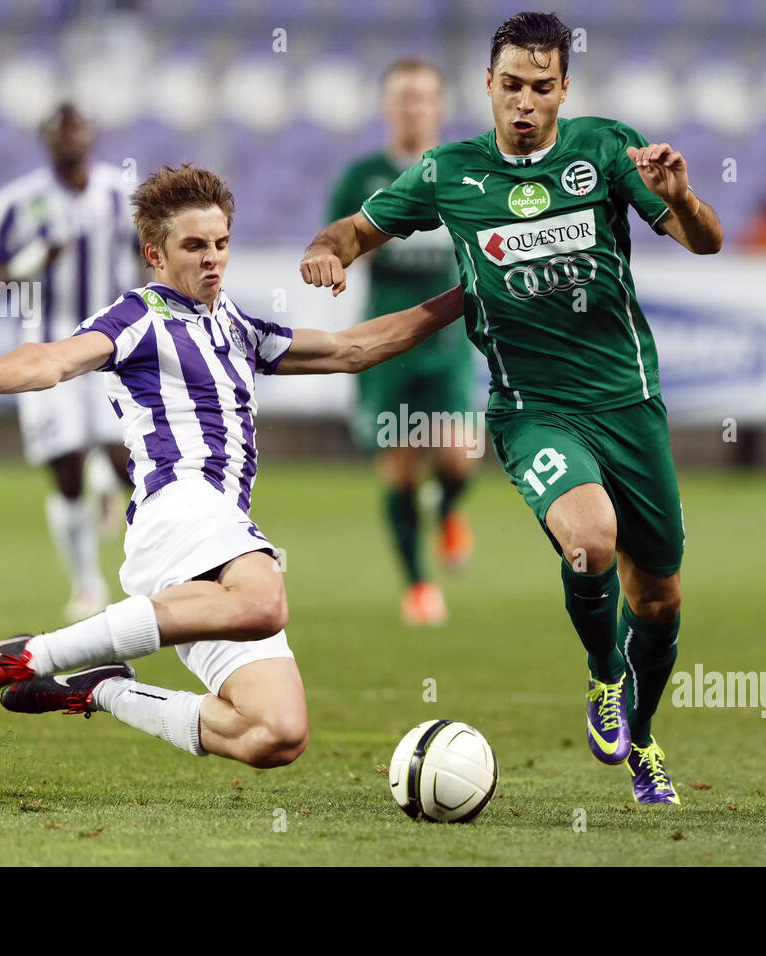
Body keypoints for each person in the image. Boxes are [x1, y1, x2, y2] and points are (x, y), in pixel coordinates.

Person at [0, 164, 463, 769]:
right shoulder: (139, 318)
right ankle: (33, 653)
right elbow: (53, 360)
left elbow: (356, 349)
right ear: (155, 254)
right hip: (180, 507)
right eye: (194, 246)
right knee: (266, 600)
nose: (212, 258)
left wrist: (468, 294)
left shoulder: (239, 327)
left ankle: (102, 689)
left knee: (275, 733)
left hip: (206, 541)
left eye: (221, 243)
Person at [301, 12, 723, 804]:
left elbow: (705, 241)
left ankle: (645, 736)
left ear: (564, 89)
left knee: (659, 597)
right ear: (487, 87)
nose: (524, 104)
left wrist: (684, 197)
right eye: (510, 87)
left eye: (541, 87)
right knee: (591, 540)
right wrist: (328, 251)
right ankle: (604, 679)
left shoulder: (605, 150)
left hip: (629, 404)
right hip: (533, 409)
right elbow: (354, 230)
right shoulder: (448, 172)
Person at [326, 58, 478, 626]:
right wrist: (334, 257)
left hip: (448, 337)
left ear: (439, 106)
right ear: (387, 106)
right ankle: (417, 584)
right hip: (384, 344)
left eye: (423, 97)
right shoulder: (362, 176)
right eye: (403, 97)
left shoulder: (465, 169)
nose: (413, 106)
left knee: (461, 456)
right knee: (400, 468)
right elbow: (336, 240)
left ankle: (450, 509)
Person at [0, 103, 138, 620]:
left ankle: (113, 501)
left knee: (126, 462)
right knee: (65, 468)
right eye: (60, 132)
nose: (70, 139)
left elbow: (149, 259)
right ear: (46, 140)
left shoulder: (122, 195)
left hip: (111, 347)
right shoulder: (18, 202)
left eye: (78, 129)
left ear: (92, 134)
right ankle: (89, 584)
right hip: (47, 351)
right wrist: (32, 261)